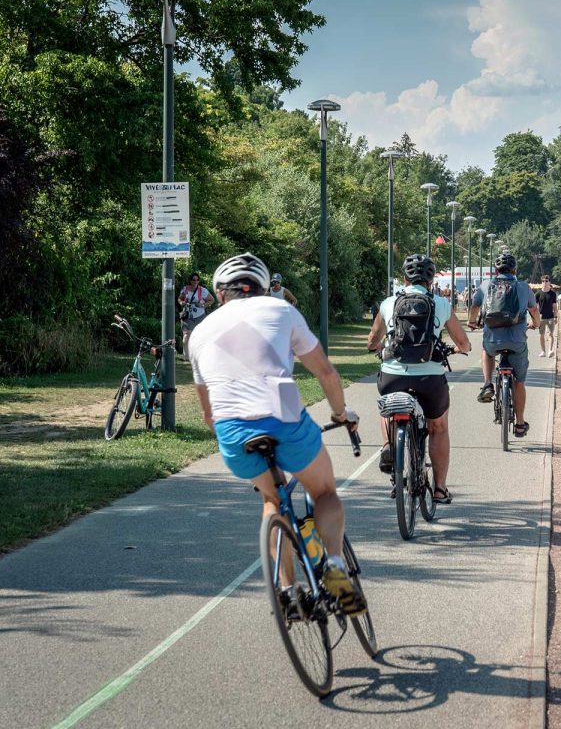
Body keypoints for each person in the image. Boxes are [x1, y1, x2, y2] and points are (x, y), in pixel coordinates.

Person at [189, 253, 366, 616]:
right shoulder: (281, 310)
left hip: (231, 430)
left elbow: (207, 412)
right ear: (263, 286)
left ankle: (286, 590)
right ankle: (333, 564)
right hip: (282, 414)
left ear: (220, 293)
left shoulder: (199, 333)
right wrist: (339, 413)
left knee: (272, 501)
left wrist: (231, 437)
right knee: (324, 491)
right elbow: (327, 374)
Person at [367, 254, 471, 504]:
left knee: (387, 408)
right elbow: (463, 342)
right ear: (431, 279)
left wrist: (381, 348)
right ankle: (440, 489)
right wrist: (457, 350)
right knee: (438, 427)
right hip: (430, 378)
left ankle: (389, 447)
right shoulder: (441, 304)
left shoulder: (389, 303)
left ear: (404, 278)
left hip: (393, 375)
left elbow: (372, 341)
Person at [469, 252, 539, 438]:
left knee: (487, 350)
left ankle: (487, 384)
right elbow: (534, 309)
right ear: (515, 270)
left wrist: (471, 322)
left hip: (493, 339)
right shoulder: (523, 287)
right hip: (517, 341)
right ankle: (520, 424)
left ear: (495, 270)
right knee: (520, 382)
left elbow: (475, 307)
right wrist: (536, 324)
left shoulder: (486, 285)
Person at [177, 271, 215, 357]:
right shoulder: (185, 289)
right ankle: (186, 356)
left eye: (197, 280)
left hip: (200, 316)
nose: (196, 281)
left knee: (200, 336)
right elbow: (179, 299)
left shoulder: (203, 290)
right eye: (194, 280)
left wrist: (203, 305)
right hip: (187, 316)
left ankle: (199, 355)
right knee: (186, 336)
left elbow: (212, 300)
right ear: (190, 280)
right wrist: (182, 302)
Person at [534, 276, 559, 358]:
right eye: (543, 281)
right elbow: (534, 307)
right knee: (541, 335)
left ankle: (550, 350)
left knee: (550, 334)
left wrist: (556, 317)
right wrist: (535, 318)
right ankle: (543, 351)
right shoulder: (538, 293)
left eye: (546, 281)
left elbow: (554, 306)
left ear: (549, 282)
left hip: (550, 317)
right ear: (541, 283)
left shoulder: (552, 293)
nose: (544, 282)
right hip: (541, 317)